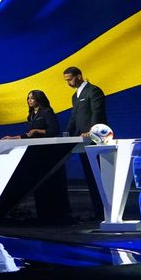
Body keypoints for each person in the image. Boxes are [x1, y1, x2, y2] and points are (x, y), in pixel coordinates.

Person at [47, 65, 110, 222]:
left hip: (96, 139)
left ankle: (105, 211)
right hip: (82, 141)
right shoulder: (75, 96)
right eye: (66, 80)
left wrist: (92, 131)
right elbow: (74, 117)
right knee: (90, 175)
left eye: (70, 79)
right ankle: (98, 211)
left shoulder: (93, 91)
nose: (68, 83)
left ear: (79, 76)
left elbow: (97, 112)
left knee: (100, 175)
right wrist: (66, 134)